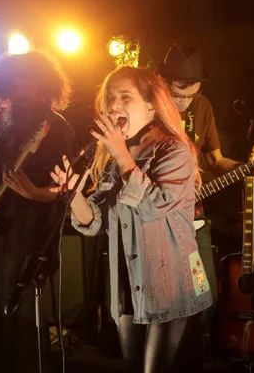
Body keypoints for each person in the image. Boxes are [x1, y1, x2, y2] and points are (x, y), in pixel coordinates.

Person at [51, 66, 212, 373]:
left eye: (125, 97)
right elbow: (95, 222)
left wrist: (122, 155)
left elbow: (155, 206)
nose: (114, 105)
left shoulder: (173, 150)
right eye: (110, 98)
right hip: (128, 287)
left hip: (170, 287)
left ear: (151, 105)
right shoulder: (115, 160)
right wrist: (74, 194)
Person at [0, 50, 74, 373]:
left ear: (44, 88)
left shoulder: (57, 129)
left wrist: (35, 193)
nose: (19, 92)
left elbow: (68, 190)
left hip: (28, 239)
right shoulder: (9, 126)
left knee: (21, 324)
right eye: (14, 85)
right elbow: (0, 179)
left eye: (26, 85)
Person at [155, 45, 254, 320]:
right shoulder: (148, 108)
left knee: (205, 295)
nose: (185, 102)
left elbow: (215, 161)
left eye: (192, 94)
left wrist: (249, 169)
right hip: (157, 220)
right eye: (178, 94)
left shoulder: (202, 106)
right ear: (163, 81)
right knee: (166, 302)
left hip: (194, 217)